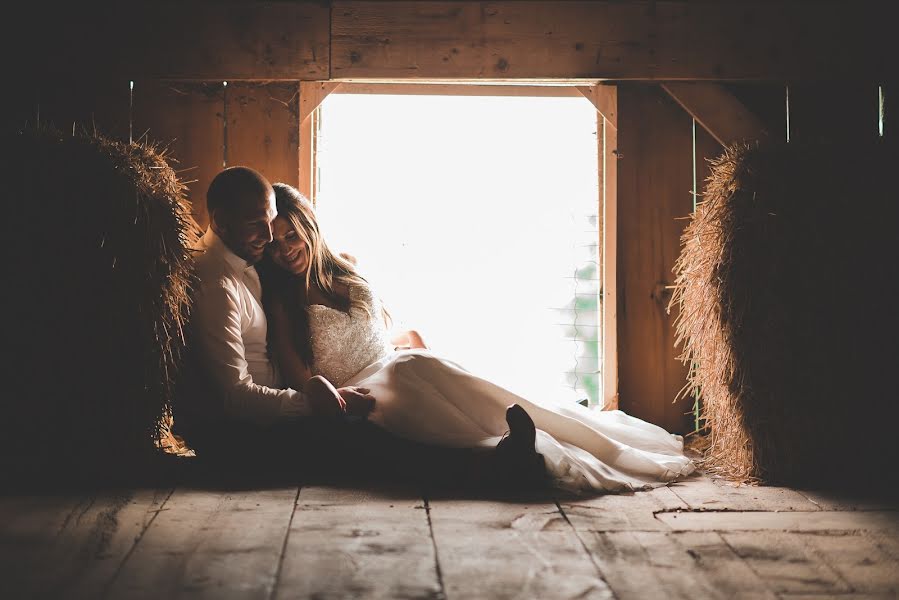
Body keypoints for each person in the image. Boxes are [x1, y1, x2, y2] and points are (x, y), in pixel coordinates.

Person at [257, 183, 696, 494]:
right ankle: (514, 452)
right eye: (274, 246)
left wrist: (408, 337)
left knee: (421, 363)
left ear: (309, 225)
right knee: (415, 373)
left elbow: (366, 330)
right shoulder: (283, 298)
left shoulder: (347, 266)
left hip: (393, 361)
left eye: (291, 235)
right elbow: (299, 374)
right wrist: (331, 396)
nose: (285, 250)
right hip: (359, 388)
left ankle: (555, 432)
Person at [179, 166, 376, 468]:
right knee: (377, 439)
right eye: (257, 225)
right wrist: (317, 402)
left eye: (270, 221)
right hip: (246, 433)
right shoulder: (217, 285)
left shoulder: (247, 260)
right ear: (220, 222)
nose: (269, 237)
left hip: (279, 412)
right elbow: (234, 398)